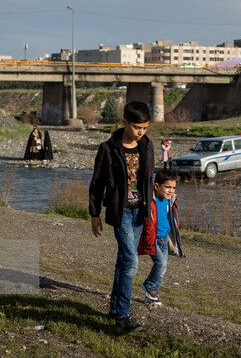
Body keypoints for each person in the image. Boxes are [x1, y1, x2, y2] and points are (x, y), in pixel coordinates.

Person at [89, 101, 154, 333]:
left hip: (139, 212)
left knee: (123, 260)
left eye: (145, 128)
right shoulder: (108, 148)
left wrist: (151, 209)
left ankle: (115, 308)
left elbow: (147, 179)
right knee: (131, 263)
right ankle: (124, 315)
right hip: (121, 212)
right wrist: (94, 214)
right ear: (125, 122)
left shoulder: (147, 145)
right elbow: (96, 184)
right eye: (137, 127)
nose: (141, 132)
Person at [137, 170, 185, 306]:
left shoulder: (169, 200)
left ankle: (151, 296)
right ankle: (149, 284)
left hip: (164, 238)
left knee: (162, 269)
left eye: (173, 188)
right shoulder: (150, 199)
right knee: (161, 263)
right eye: (168, 187)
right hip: (153, 239)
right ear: (157, 186)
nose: (171, 191)